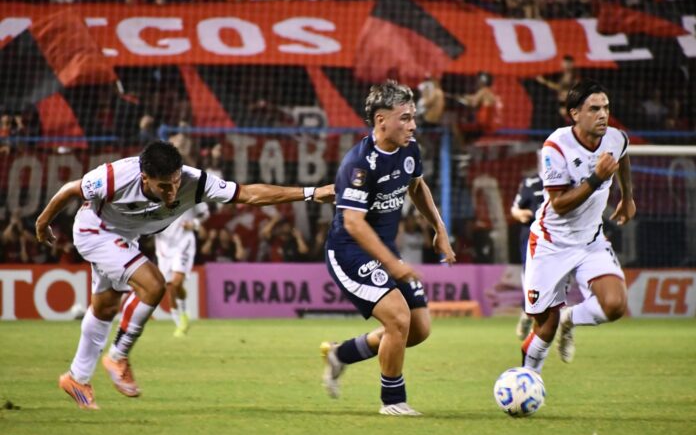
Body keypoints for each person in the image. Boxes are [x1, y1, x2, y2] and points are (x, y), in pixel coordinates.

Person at [35, 140, 334, 410]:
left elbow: (249, 194)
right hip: (94, 231)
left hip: (126, 238)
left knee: (105, 307)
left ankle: (76, 378)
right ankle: (118, 355)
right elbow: (71, 189)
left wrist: (311, 193)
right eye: (164, 186)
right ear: (144, 178)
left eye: (176, 183)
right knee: (154, 285)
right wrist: (43, 222)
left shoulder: (196, 181)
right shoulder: (116, 176)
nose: (173, 192)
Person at [320, 80, 456, 416]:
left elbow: (417, 187)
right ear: (381, 120)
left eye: (413, 117)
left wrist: (439, 229)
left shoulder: (409, 149)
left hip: (382, 250)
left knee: (418, 328)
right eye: (405, 118)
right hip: (349, 252)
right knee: (398, 317)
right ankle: (393, 401)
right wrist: (393, 265)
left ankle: (341, 354)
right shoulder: (359, 164)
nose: (413, 125)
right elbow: (353, 223)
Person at [520, 79, 635, 374]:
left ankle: (569, 317)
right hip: (550, 243)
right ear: (574, 113)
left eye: (606, 107)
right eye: (594, 109)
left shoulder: (615, 138)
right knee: (545, 327)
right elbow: (559, 204)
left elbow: (622, 156)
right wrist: (596, 178)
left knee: (615, 305)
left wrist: (627, 197)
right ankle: (529, 378)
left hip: (590, 241)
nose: (603, 114)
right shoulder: (556, 146)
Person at [154, 202, 210, 337]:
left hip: (184, 242)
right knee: (170, 287)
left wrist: (194, 224)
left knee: (176, 283)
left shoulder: (190, 191)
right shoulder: (153, 196)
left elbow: (205, 213)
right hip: (163, 246)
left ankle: (184, 314)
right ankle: (178, 322)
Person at [510, 158, 544, 340]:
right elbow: (515, 209)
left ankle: (541, 316)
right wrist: (520, 214)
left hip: (558, 238)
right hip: (532, 237)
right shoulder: (531, 183)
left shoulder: (570, 182)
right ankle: (527, 311)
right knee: (531, 277)